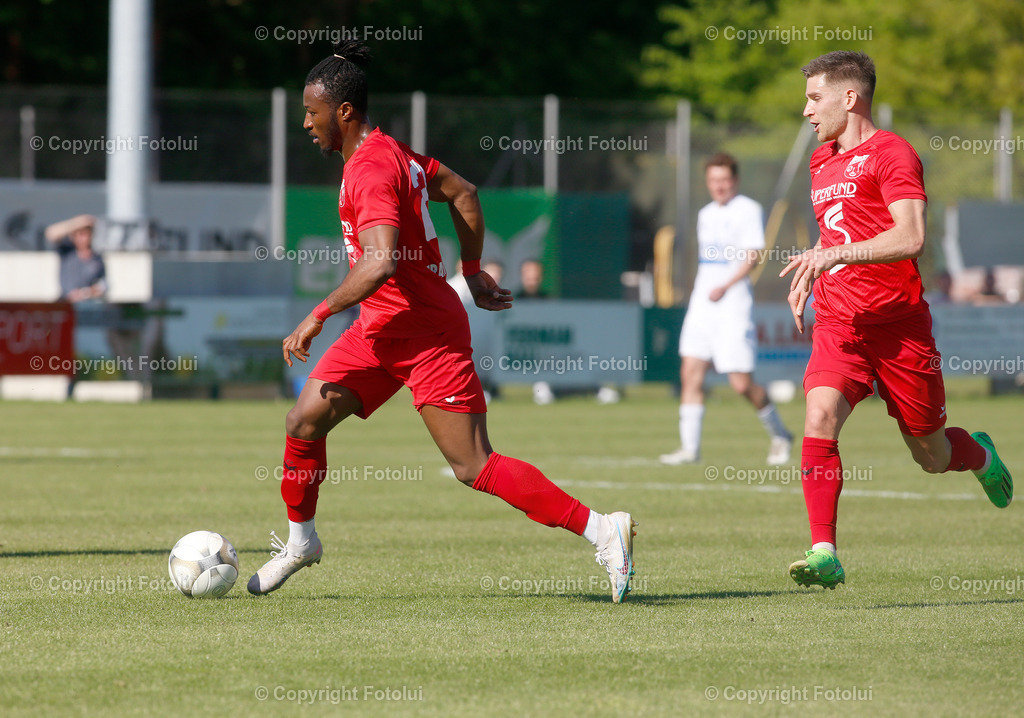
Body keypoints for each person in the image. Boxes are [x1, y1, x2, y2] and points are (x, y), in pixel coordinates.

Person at [247, 41, 636, 603]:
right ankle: (301, 542)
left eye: (312, 112)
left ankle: (605, 530)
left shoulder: (372, 169)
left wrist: (317, 315)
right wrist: (473, 270)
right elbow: (463, 191)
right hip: (380, 330)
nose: (306, 123)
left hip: (427, 335)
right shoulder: (391, 153)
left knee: (473, 464)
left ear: (345, 111)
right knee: (303, 421)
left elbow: (380, 261)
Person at [780, 51, 1012, 589]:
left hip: (899, 328)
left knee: (931, 454)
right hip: (840, 322)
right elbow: (836, 235)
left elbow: (910, 238)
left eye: (815, 99)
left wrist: (834, 256)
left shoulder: (893, 153)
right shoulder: (821, 161)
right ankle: (823, 552)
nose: (807, 111)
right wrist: (815, 264)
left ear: (850, 98)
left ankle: (979, 455)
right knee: (818, 419)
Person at [660, 153, 793, 466]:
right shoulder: (705, 213)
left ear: (734, 180)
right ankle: (689, 449)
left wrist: (726, 285)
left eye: (724, 180)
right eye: (713, 180)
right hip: (702, 305)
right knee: (690, 372)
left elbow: (752, 256)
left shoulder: (748, 210)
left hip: (732, 306)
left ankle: (780, 434)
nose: (718, 186)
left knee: (740, 383)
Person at [44, 214, 106, 302]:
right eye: (80, 234)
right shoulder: (67, 252)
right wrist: (77, 223)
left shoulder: (96, 259)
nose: (84, 239)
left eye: (87, 234)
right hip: (66, 303)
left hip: (87, 306)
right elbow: (50, 234)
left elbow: (103, 286)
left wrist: (85, 293)